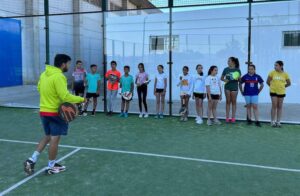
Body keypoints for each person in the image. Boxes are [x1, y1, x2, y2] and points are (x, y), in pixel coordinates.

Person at [23, 54, 85, 175]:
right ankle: (51, 166)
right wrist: (81, 99)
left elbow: (39, 89)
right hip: (55, 113)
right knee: (54, 140)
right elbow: (65, 96)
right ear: (63, 64)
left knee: (47, 136)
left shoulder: (44, 74)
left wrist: (49, 99)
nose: (69, 66)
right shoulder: (59, 76)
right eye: (68, 63)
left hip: (43, 111)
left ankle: (31, 160)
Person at [267, 60, 291, 127]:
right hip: (273, 92)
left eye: (276, 65)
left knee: (279, 107)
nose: (275, 67)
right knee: (274, 105)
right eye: (275, 65)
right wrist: (272, 87)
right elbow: (267, 81)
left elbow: (289, 83)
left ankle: (278, 122)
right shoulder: (272, 73)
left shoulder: (285, 74)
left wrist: (282, 87)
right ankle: (272, 121)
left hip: (281, 92)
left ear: (281, 66)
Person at [221, 57, 241, 123]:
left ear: (233, 62)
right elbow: (221, 78)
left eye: (229, 61)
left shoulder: (237, 70)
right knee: (228, 102)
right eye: (228, 61)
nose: (228, 62)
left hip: (234, 87)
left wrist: (237, 78)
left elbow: (240, 80)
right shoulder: (225, 69)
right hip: (227, 87)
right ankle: (227, 118)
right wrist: (224, 80)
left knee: (234, 102)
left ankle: (233, 118)